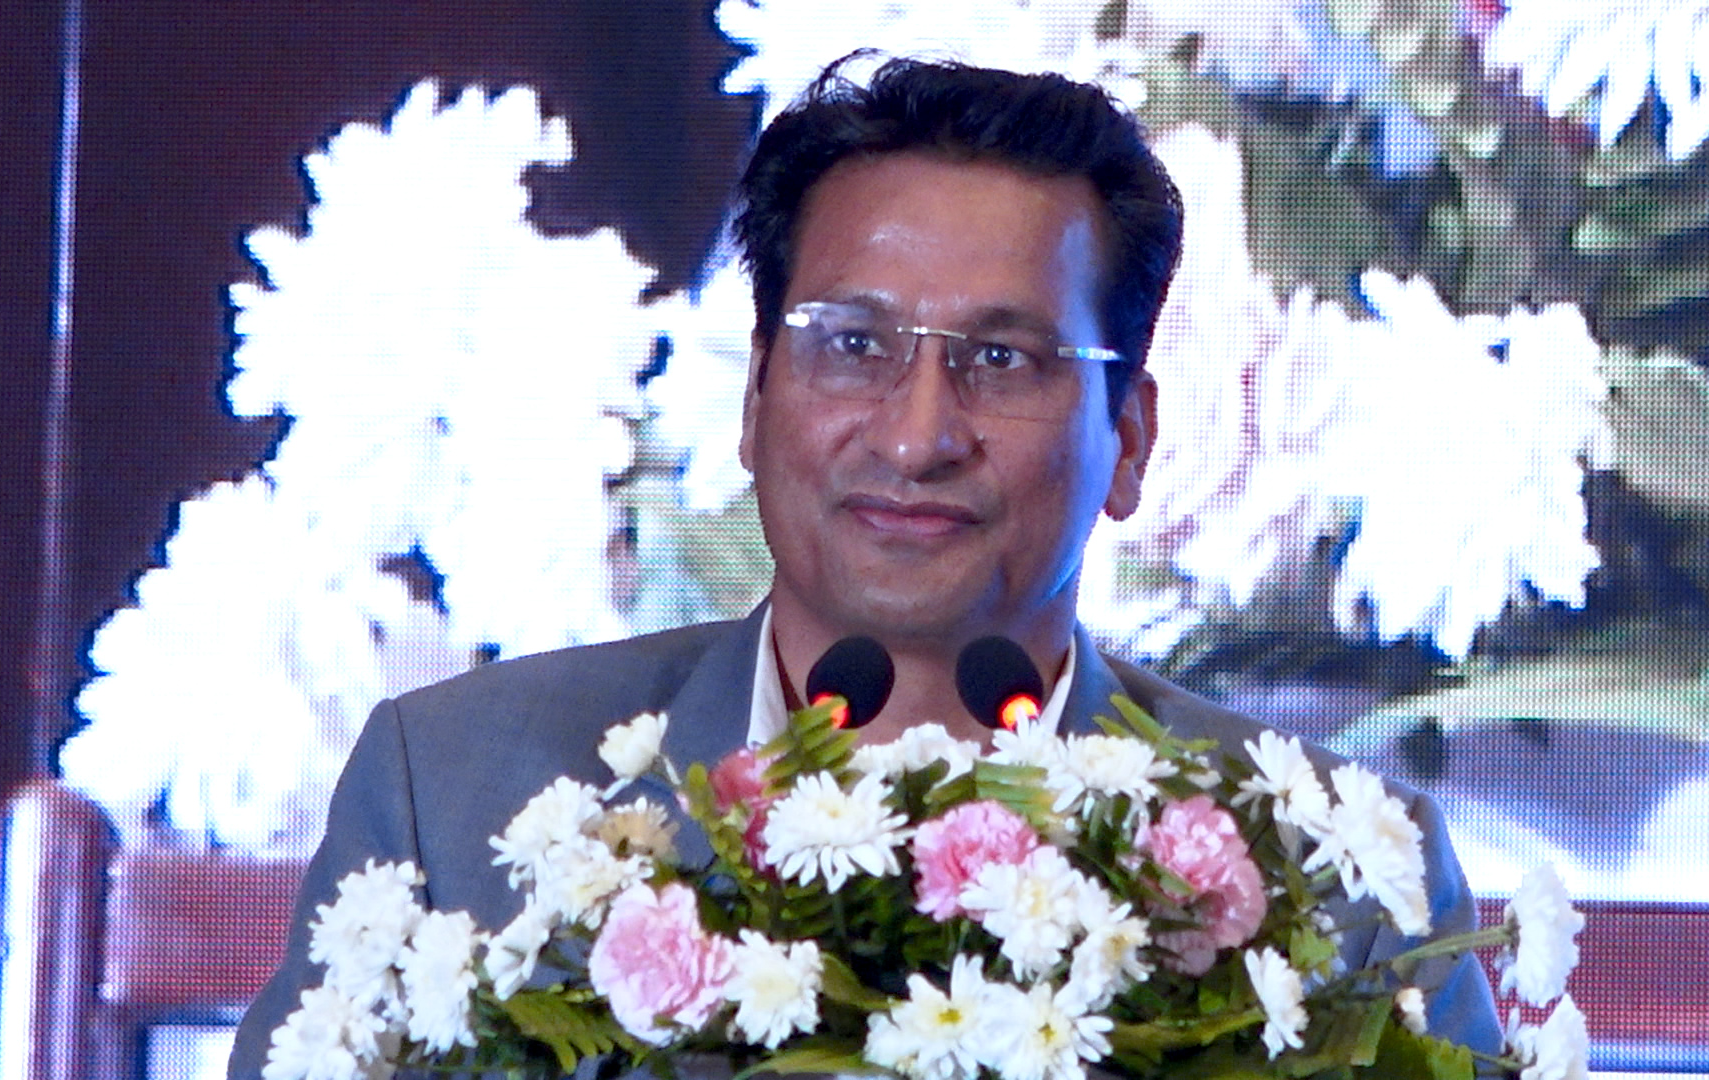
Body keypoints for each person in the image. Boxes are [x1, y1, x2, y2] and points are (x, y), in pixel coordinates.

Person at [227, 56, 1501, 1077]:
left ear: (1130, 441)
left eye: (1002, 360)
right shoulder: (451, 796)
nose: (916, 435)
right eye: (852, 345)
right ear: (754, 398)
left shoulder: (1336, 875)